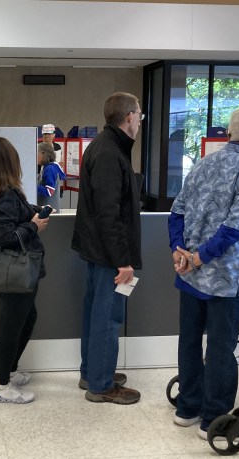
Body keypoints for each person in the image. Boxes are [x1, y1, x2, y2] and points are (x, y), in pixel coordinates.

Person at [168, 106, 239, 440]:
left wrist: (179, 252)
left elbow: (176, 213)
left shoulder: (202, 164)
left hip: (189, 275)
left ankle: (187, 408)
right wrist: (198, 258)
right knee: (222, 347)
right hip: (227, 278)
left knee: (189, 339)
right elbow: (234, 230)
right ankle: (214, 418)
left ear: (228, 132)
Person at [71, 92, 143, 405]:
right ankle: (100, 384)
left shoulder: (105, 147)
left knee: (95, 314)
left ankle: (93, 372)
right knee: (107, 318)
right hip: (108, 256)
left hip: (97, 251)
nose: (140, 120)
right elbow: (108, 213)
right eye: (139, 114)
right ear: (128, 116)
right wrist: (122, 261)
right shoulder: (110, 153)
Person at [0, 137, 49, 404]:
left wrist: (33, 213)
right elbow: (5, 235)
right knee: (12, 326)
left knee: (26, 317)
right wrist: (34, 227)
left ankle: (9, 371)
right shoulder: (6, 193)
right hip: (14, 271)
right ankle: (2, 385)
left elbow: (9, 217)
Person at [37, 142, 66, 212]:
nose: (36, 156)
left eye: (37, 154)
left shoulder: (50, 169)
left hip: (49, 212)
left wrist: (34, 186)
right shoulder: (47, 167)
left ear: (44, 154)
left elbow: (49, 191)